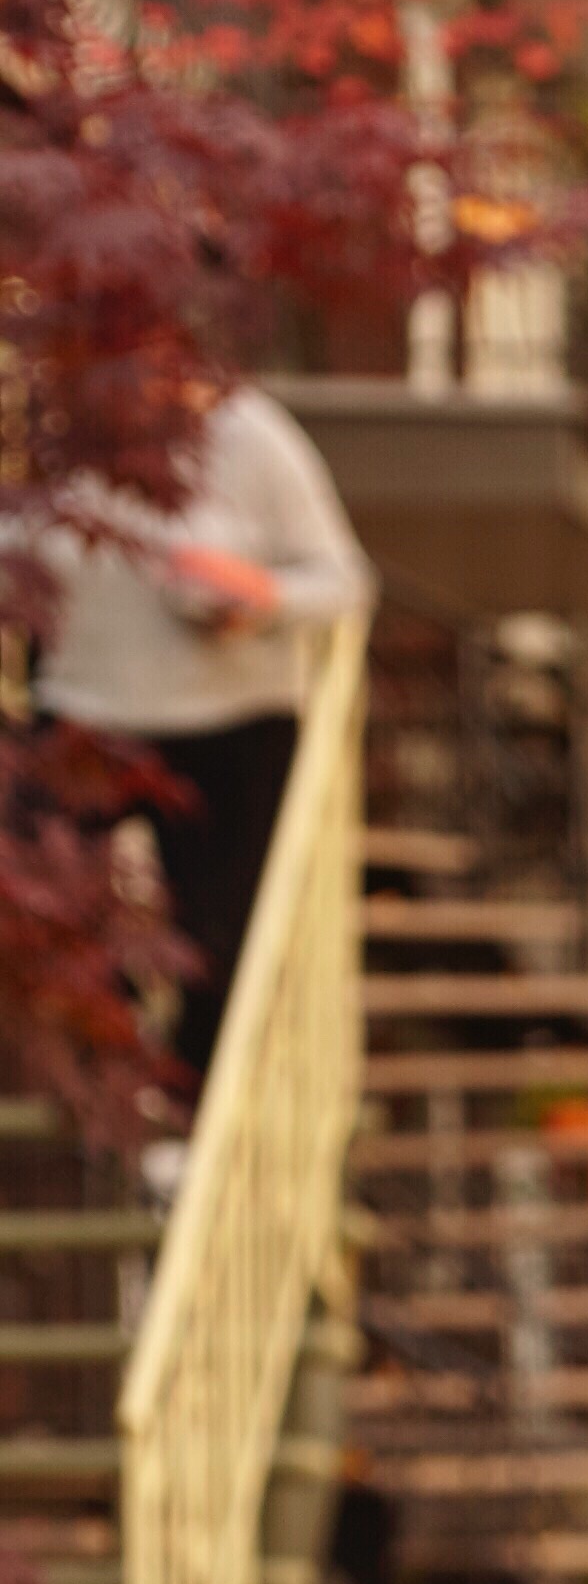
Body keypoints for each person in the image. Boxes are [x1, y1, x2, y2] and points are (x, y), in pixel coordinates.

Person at [27, 375, 372, 1073]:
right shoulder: (59, 434)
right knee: (52, 922)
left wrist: (257, 593)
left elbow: (344, 579)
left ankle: (192, 1110)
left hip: (233, 729)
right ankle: (108, 1093)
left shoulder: (255, 437)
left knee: (222, 939)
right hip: (85, 723)